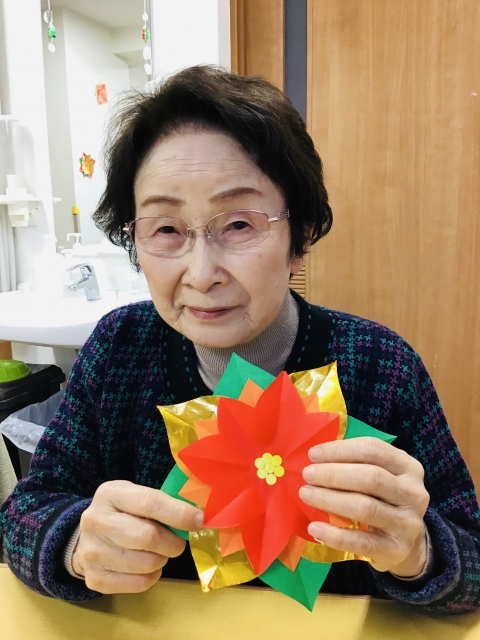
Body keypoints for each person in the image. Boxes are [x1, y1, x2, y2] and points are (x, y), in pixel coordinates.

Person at [0, 65, 479, 613]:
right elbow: (23, 516)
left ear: (300, 237)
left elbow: (473, 562)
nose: (202, 274)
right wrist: (75, 544)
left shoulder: (379, 366)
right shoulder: (118, 349)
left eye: (239, 225)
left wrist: (421, 552)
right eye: (166, 229)